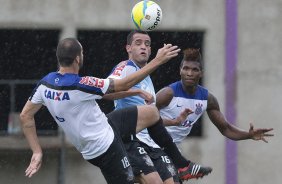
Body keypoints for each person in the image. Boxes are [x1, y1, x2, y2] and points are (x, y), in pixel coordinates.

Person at [19, 37, 198, 184]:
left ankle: (181, 165)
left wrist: (37, 151)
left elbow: (25, 116)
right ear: (78, 59)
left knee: (151, 113)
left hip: (107, 125)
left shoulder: (45, 83)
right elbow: (123, 84)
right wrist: (158, 61)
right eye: (82, 52)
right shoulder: (81, 85)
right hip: (104, 149)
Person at [108, 30, 212, 184]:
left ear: (150, 50)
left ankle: (184, 167)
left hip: (150, 142)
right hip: (131, 139)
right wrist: (137, 90)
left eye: (147, 44)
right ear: (128, 48)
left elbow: (150, 118)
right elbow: (105, 92)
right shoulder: (125, 67)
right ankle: (184, 165)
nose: (143, 47)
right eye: (138, 43)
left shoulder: (145, 77)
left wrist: (175, 121)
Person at [155, 48, 274, 171]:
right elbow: (143, 117)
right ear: (180, 71)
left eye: (194, 69)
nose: (189, 73)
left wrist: (248, 135)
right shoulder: (167, 93)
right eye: (185, 68)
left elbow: (226, 129)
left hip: (173, 149)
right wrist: (173, 122)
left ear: (201, 73)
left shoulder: (208, 99)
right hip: (151, 143)